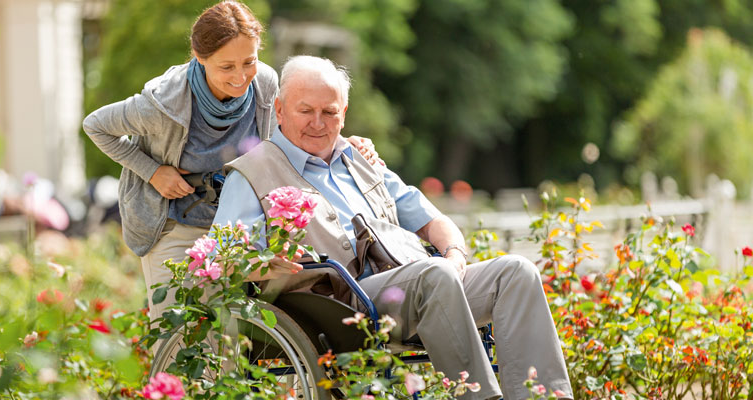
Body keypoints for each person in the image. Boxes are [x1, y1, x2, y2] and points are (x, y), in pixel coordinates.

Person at [213, 55, 573, 400]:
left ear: (344, 114)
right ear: (279, 109)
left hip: (413, 288)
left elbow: (435, 221)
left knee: (516, 272)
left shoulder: (361, 160)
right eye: (305, 110)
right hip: (333, 307)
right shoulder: (252, 173)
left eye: (329, 112)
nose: (318, 123)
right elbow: (225, 256)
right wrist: (271, 262)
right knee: (433, 274)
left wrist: (454, 254)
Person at [82, 2, 380, 331]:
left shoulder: (264, 83)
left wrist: (341, 143)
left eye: (248, 62)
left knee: (237, 337)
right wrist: (152, 171)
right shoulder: (164, 103)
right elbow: (95, 125)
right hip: (175, 225)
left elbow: (287, 138)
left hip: (238, 229)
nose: (240, 77)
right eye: (226, 67)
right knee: (181, 334)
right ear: (200, 56)